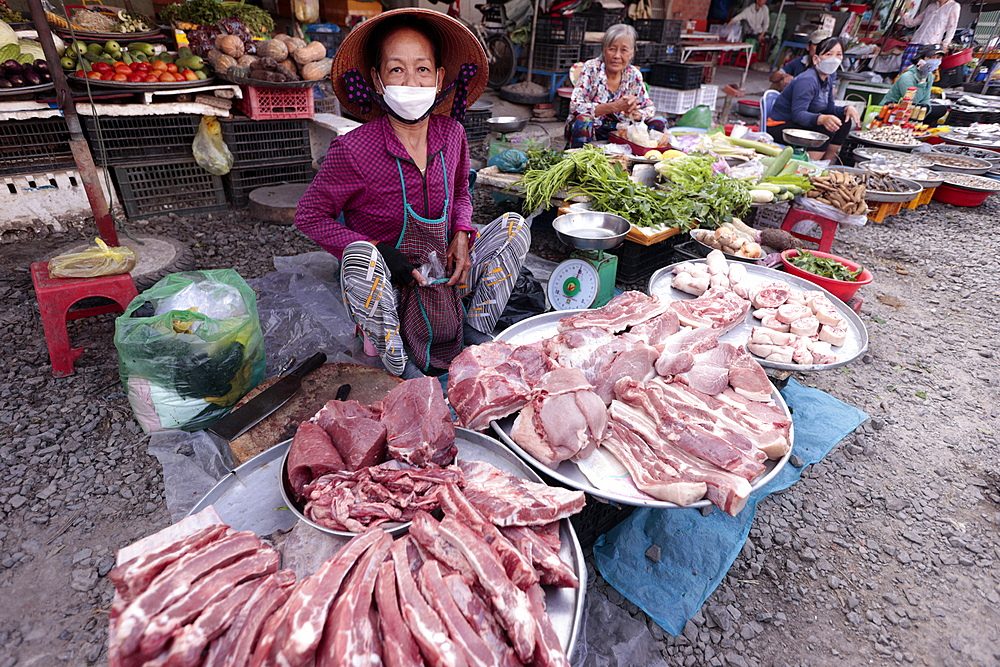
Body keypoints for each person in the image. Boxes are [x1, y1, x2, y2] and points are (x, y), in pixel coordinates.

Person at [295, 9, 531, 380]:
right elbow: (309, 216)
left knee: (515, 227)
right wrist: (380, 251)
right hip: (390, 292)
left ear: (439, 79)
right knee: (359, 256)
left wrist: (462, 233)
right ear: (377, 79)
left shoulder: (452, 134)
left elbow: (460, 194)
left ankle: (473, 332)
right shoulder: (353, 150)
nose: (411, 81)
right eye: (396, 70)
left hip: (447, 280)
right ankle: (401, 366)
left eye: (422, 69)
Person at [565, 24, 665, 148]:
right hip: (593, 130)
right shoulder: (592, 68)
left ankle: (640, 159)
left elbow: (649, 108)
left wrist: (638, 114)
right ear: (604, 49)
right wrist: (613, 107)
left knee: (659, 122)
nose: (617, 55)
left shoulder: (634, 75)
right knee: (583, 121)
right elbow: (575, 106)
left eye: (623, 50)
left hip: (621, 132)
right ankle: (579, 159)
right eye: (612, 49)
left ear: (631, 53)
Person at [766, 37, 861, 162]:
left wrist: (847, 109)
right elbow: (798, 115)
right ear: (816, 59)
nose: (834, 59)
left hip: (800, 124)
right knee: (825, 127)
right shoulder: (808, 80)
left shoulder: (827, 79)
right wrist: (821, 119)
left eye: (839, 54)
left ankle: (827, 162)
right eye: (828, 54)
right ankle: (810, 166)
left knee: (844, 121)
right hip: (780, 126)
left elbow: (829, 108)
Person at [899, 0, 960, 71]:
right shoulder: (931, 6)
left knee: (919, 74)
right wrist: (903, 15)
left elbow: (952, 27)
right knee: (904, 71)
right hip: (915, 43)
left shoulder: (953, 6)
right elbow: (912, 23)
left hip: (929, 46)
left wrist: (945, 45)